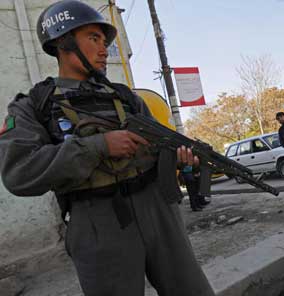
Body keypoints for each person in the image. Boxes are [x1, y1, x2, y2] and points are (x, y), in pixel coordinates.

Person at [0, 1, 215, 295]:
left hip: (158, 209)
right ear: (63, 43)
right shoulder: (33, 105)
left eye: (104, 40)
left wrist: (181, 159)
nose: (104, 50)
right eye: (93, 38)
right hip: (97, 220)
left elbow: (159, 147)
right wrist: (98, 146)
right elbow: (20, 173)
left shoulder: (127, 97)